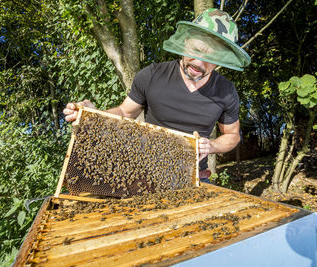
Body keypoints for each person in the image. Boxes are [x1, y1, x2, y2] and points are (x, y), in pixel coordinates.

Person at [63, 8, 251, 182]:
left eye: (212, 58)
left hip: (194, 177)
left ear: (221, 61)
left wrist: (211, 146)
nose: (199, 63)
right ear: (185, 43)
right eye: (196, 50)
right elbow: (124, 112)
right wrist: (93, 115)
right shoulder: (152, 75)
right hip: (145, 174)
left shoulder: (226, 91)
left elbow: (232, 135)